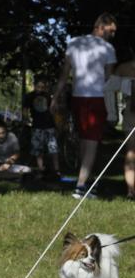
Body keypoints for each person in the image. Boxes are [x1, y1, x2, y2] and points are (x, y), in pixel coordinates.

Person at [51, 12, 117, 199]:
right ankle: (80, 187)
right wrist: (112, 106)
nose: (112, 35)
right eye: (111, 31)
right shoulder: (107, 48)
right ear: (101, 26)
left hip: (78, 98)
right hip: (97, 98)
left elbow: (65, 74)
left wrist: (56, 97)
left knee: (84, 140)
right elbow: (109, 80)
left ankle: (86, 182)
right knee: (92, 142)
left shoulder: (73, 43)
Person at [104, 59, 135, 199]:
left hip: (130, 111)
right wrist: (112, 113)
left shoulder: (124, 67)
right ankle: (130, 190)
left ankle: (130, 191)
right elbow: (109, 88)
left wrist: (112, 113)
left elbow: (109, 88)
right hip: (131, 111)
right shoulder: (124, 67)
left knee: (131, 151)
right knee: (131, 151)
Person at [23, 77, 60, 179]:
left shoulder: (48, 96)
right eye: (39, 86)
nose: (41, 89)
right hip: (37, 126)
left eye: (43, 87)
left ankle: (57, 170)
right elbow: (25, 109)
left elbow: (54, 111)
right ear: (35, 86)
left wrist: (56, 124)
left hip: (49, 125)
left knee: (53, 148)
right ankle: (41, 169)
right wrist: (26, 120)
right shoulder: (29, 96)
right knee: (38, 149)